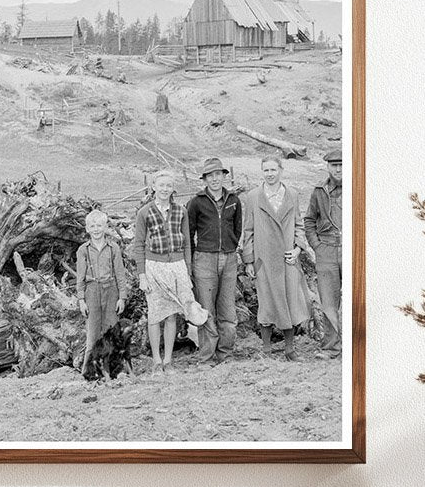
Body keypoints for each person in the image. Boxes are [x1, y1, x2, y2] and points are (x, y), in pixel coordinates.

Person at [132, 170, 208, 377]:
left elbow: (187, 244)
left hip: (177, 266)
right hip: (154, 267)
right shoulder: (144, 212)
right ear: (154, 187)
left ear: (173, 189)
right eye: (161, 185)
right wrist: (142, 275)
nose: (165, 189)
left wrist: (187, 270)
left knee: (173, 314)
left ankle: (168, 360)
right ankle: (156, 361)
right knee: (156, 315)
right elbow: (138, 245)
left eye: (169, 186)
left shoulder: (180, 211)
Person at [242, 157, 312, 361]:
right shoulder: (254, 196)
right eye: (266, 170)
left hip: (287, 259)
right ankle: (266, 350)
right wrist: (249, 260)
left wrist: (298, 249)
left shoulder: (291, 194)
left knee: (290, 301)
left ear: (281, 170)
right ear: (262, 172)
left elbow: (299, 224)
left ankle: (290, 350)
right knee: (267, 303)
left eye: (273, 169)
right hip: (264, 259)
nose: (270, 173)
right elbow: (248, 231)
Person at [186, 158, 243, 365]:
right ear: (205, 179)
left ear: (223, 176)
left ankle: (225, 354)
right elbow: (189, 233)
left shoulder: (234, 200)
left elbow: (238, 228)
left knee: (228, 309)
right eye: (210, 176)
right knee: (206, 310)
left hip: (228, 258)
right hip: (204, 259)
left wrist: (231, 248)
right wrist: (193, 260)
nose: (215, 179)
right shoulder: (196, 202)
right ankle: (207, 357)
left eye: (218, 174)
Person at [304, 148, 343, 358]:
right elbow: (309, 220)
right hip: (326, 250)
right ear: (327, 167)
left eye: (342, 165)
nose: (338, 169)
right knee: (328, 301)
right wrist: (316, 246)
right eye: (334, 165)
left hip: (352, 248)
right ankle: (331, 347)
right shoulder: (319, 190)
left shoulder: (359, 185)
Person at [76, 209, 129, 354]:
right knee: (92, 333)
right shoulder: (83, 250)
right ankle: (88, 371)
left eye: (99, 226)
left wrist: (122, 298)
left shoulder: (113, 248)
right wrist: (81, 300)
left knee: (112, 331)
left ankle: (113, 369)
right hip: (92, 291)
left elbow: (120, 274)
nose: (96, 230)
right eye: (92, 226)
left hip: (111, 290)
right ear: (87, 229)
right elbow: (80, 277)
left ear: (105, 227)